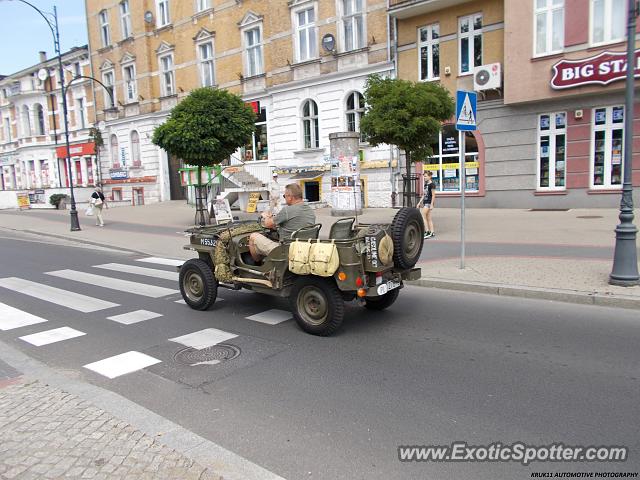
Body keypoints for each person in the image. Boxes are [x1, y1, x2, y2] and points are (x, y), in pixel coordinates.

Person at [249, 183, 315, 262]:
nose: (284, 198)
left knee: (253, 237)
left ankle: (257, 265)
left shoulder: (287, 210)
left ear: (290, 197)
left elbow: (267, 224)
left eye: (284, 196)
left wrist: (266, 216)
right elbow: (291, 224)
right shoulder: (310, 210)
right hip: (304, 247)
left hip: (286, 250)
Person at [422, 171, 436, 239]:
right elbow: (424, 195)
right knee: (428, 218)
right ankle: (432, 232)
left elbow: (433, 195)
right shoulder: (425, 185)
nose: (424, 177)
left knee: (423, 216)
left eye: (425, 176)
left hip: (429, 203)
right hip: (425, 202)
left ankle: (427, 231)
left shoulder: (432, 184)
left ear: (430, 176)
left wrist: (432, 205)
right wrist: (419, 202)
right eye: (424, 176)